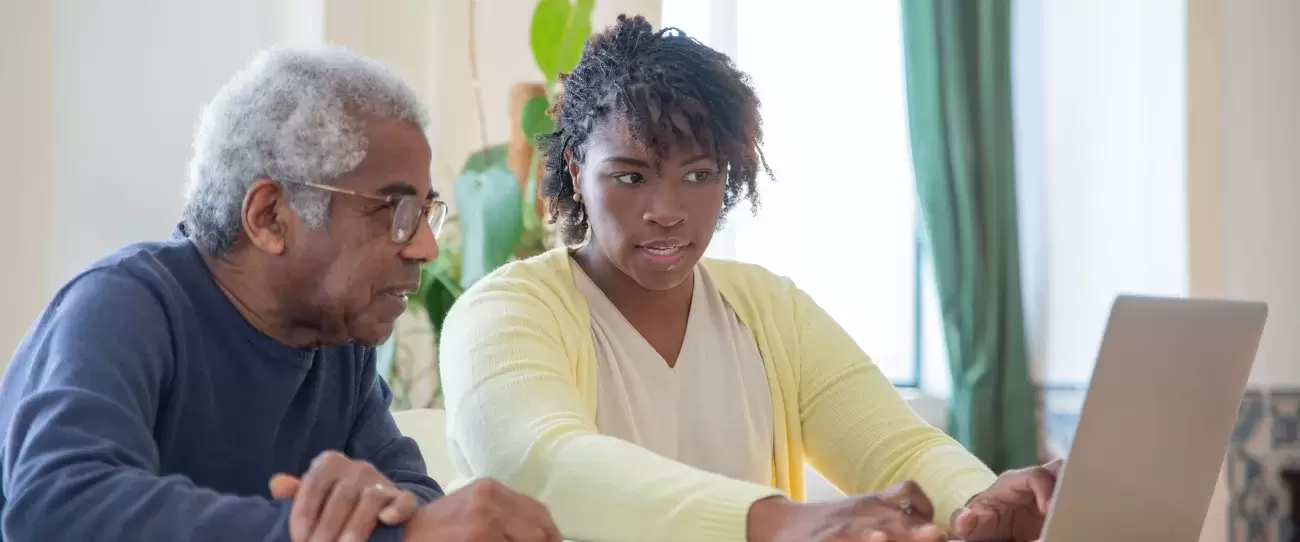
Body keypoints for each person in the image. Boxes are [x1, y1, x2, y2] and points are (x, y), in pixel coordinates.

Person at [439, 14, 1060, 542]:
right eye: (630, 176)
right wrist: (780, 523)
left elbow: (898, 450)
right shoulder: (501, 314)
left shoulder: (769, 309)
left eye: (700, 174)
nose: (668, 209)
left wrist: (979, 503)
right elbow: (545, 466)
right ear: (576, 171)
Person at [0, 47, 560, 542]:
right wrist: (312, 528)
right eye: (395, 212)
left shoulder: (338, 345)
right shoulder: (122, 306)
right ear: (269, 216)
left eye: (425, 213)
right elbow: (56, 506)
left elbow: (414, 496)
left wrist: (392, 517)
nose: (425, 248)